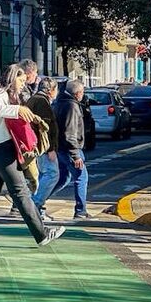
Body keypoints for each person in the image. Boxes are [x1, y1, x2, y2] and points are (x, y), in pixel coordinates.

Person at [0, 64, 66, 247]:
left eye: (25, 80)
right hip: (1, 149)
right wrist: (17, 110)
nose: (23, 84)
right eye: (21, 80)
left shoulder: (11, 95)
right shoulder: (0, 92)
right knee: (20, 192)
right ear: (12, 78)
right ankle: (41, 234)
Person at [51, 79, 91, 220]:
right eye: (82, 92)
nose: (83, 95)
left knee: (62, 178)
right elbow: (70, 133)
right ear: (77, 93)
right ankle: (81, 211)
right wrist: (75, 155)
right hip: (70, 149)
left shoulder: (60, 102)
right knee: (81, 177)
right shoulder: (72, 106)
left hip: (61, 148)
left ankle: (37, 201)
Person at [26, 77, 59, 222]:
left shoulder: (35, 100)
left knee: (44, 175)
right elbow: (45, 128)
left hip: (38, 145)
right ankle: (35, 204)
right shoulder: (41, 102)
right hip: (43, 146)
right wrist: (50, 148)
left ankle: (38, 208)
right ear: (51, 90)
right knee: (52, 174)